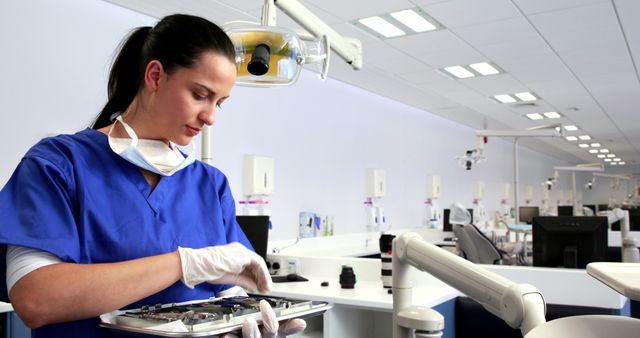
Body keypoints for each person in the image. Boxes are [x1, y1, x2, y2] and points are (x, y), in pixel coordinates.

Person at [0, 14, 305, 338]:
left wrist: (243, 319)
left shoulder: (209, 185)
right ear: (156, 76)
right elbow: (35, 298)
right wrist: (182, 265)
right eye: (200, 95)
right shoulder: (59, 165)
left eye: (220, 102)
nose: (211, 116)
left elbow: (226, 295)